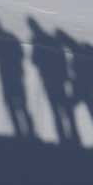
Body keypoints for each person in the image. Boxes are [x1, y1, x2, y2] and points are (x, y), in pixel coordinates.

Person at [57, 30, 93, 151]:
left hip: (84, 88)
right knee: (89, 112)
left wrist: (86, 80)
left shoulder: (81, 52)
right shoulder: (80, 52)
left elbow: (84, 71)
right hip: (83, 87)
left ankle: (77, 138)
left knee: (80, 110)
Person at [27, 16, 76, 145]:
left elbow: (34, 60)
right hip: (57, 79)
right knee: (63, 107)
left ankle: (63, 137)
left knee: (56, 108)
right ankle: (71, 135)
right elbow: (61, 58)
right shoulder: (48, 39)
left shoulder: (38, 41)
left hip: (49, 79)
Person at [0, 15, 34, 139]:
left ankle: (23, 132)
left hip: (10, 75)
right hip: (12, 75)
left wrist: (1, 58)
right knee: (18, 105)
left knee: (17, 105)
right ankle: (25, 133)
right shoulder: (5, 37)